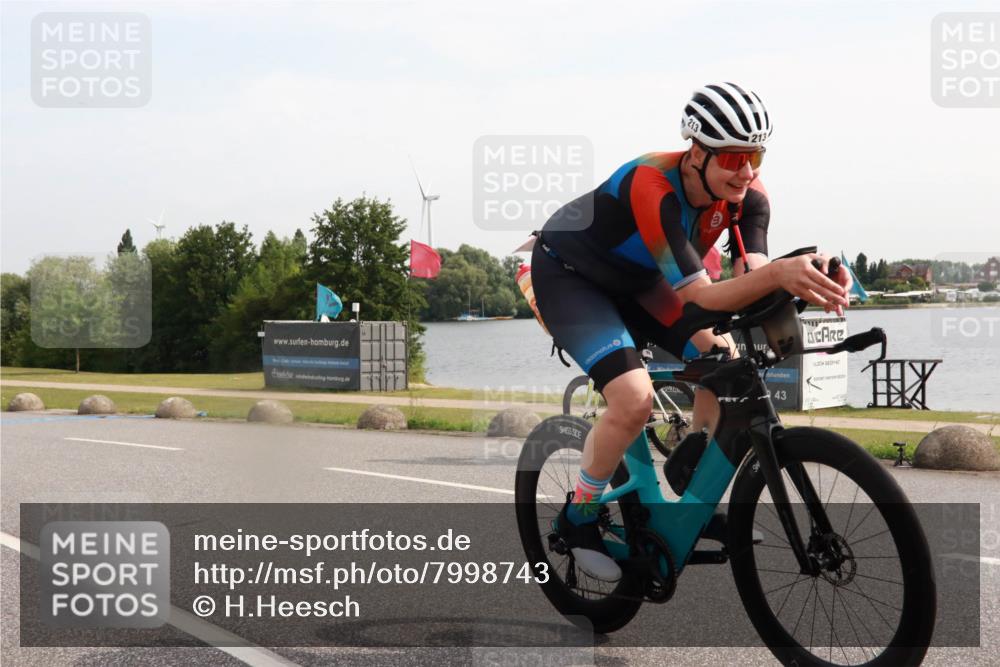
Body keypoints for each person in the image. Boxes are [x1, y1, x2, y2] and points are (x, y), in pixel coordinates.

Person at [530, 82, 852, 582]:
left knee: (722, 360)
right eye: (732, 158)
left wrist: (811, 272)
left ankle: (693, 463)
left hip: (640, 282)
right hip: (572, 278)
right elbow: (699, 297)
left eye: (755, 155)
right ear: (697, 152)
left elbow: (755, 275)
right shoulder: (651, 184)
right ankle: (581, 517)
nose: (746, 171)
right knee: (634, 399)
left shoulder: (749, 197)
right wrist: (776, 276)